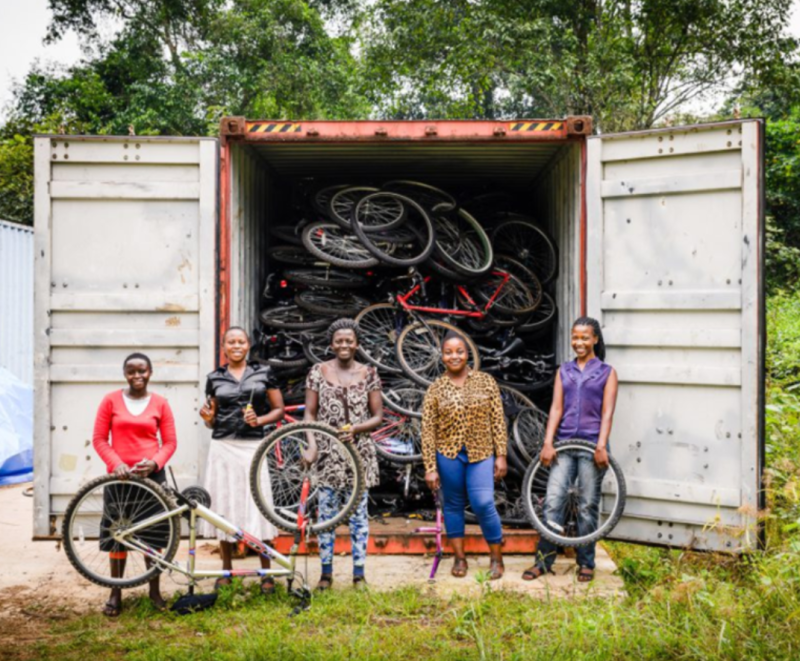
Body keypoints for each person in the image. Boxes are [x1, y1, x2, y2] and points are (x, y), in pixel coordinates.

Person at [522, 316, 618, 583]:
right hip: (564, 445)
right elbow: (556, 408)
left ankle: (586, 563)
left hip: (592, 446)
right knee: (553, 501)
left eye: (585, 337)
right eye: (575, 337)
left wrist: (601, 445)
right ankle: (543, 562)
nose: (579, 342)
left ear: (595, 340)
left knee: (588, 505)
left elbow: (608, 413)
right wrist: (548, 442)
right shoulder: (564, 370)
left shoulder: (608, 373)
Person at [199, 327, 285, 593]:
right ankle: (226, 570)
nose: (236, 345)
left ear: (248, 345)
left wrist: (258, 420)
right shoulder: (214, 378)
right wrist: (208, 419)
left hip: (253, 448)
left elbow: (279, 410)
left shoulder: (263, 373)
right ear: (223, 347)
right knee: (225, 504)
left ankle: (266, 574)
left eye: (241, 341)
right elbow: (212, 418)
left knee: (258, 506)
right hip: (223, 446)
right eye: (230, 342)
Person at [92, 352, 178, 617]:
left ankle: (154, 592)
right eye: (132, 371)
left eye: (142, 371)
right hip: (119, 479)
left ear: (150, 372)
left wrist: (154, 463)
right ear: (124, 374)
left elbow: (171, 442)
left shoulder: (161, 403)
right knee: (119, 535)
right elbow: (99, 439)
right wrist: (115, 463)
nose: (137, 376)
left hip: (152, 480)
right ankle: (115, 593)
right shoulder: (110, 401)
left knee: (153, 536)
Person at [421, 330, 508, 580]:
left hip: (481, 453)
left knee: (483, 503)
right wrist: (430, 466)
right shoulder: (436, 389)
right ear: (442, 356)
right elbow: (427, 430)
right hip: (448, 454)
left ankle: (496, 557)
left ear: (467, 353)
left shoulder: (486, 381)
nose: (454, 356)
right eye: (448, 352)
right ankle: (459, 558)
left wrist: (501, 454)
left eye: (459, 351)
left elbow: (497, 420)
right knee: (453, 505)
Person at [304, 318, 383, 590]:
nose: (344, 345)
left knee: (359, 516)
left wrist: (358, 428)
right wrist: (312, 445)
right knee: (326, 516)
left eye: (349, 340)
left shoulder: (370, 373)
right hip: (327, 455)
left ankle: (358, 574)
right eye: (339, 341)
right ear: (332, 344)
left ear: (357, 344)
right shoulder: (317, 371)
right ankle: (326, 575)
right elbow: (309, 414)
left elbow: (378, 416)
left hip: (359, 454)